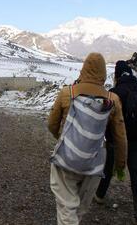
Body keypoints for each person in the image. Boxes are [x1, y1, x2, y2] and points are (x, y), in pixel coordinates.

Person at [47, 53, 127, 225]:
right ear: (103, 74)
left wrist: (61, 138)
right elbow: (120, 137)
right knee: (80, 208)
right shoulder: (112, 100)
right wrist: (120, 164)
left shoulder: (67, 93)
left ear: (83, 69)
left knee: (66, 207)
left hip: (66, 159)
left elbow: (51, 124)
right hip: (94, 162)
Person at [95, 60, 137, 225]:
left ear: (117, 76)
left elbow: (104, 118)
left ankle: (99, 195)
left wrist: (109, 135)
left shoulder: (113, 93)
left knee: (109, 168)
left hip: (116, 141)